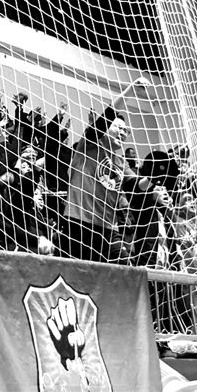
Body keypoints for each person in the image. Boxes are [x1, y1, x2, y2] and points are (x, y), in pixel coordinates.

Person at [60, 77, 154, 262]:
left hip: (108, 229)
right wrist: (131, 90)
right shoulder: (88, 144)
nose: (123, 132)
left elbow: (136, 186)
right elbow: (107, 116)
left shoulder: (121, 161)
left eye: (126, 131)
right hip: (78, 222)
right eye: (118, 127)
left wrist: (154, 177)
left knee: (125, 269)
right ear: (106, 128)